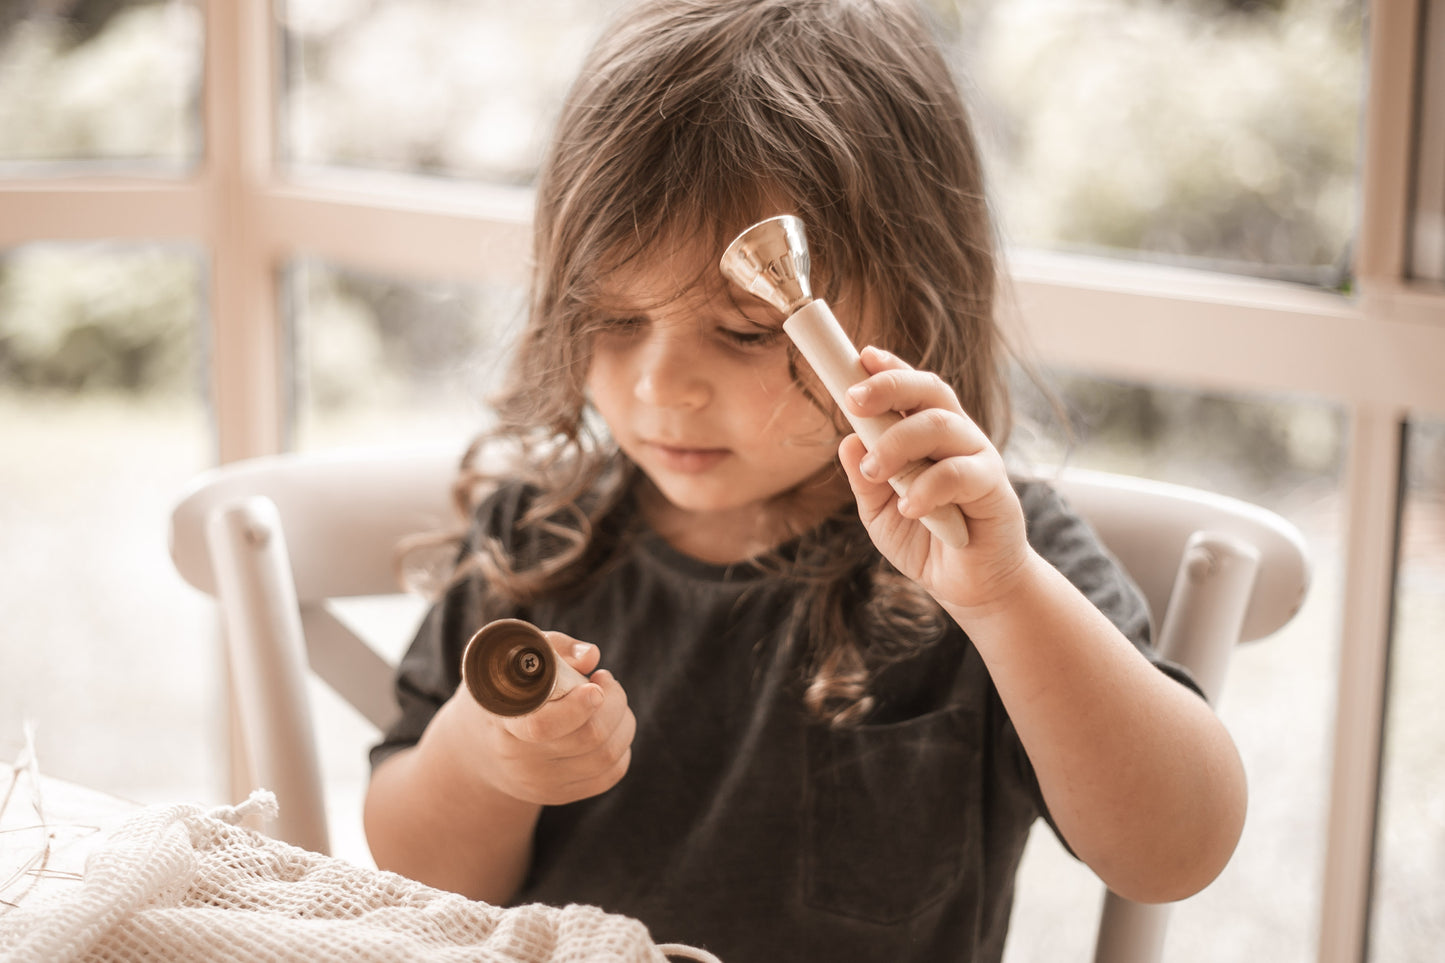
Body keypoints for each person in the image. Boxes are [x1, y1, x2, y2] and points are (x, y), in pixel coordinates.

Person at [363, 0, 1248, 959]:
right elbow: (421, 886)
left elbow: (1174, 853)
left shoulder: (988, 557)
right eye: (612, 320)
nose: (661, 385)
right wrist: (485, 759)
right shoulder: (536, 541)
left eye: (745, 330)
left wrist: (1004, 599)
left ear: (912, 303)